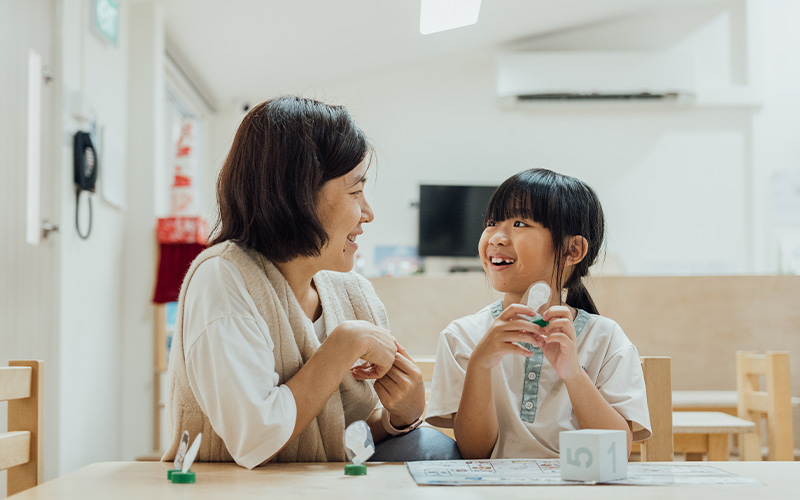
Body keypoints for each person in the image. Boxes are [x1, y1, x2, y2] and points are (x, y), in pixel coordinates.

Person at [162, 96, 460, 468]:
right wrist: (345, 344)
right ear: (299, 195)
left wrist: (398, 417)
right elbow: (256, 440)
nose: (368, 212)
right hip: (238, 490)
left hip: (323, 481)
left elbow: (346, 431)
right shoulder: (223, 278)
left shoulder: (352, 292)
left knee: (435, 449)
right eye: (355, 192)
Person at [425, 168, 651, 459]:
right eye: (492, 222)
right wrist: (480, 364)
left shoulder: (606, 339)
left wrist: (573, 374)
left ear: (573, 250)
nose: (496, 237)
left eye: (519, 223)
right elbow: (475, 452)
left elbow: (615, 451)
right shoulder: (463, 336)